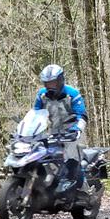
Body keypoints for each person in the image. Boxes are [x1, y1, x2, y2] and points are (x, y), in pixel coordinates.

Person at [34, 64, 88, 193]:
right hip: (52, 132)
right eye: (47, 83)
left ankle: (83, 187)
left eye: (52, 82)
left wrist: (77, 130)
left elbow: (82, 115)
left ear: (60, 80)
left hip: (72, 131)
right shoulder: (41, 95)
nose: (50, 86)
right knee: (41, 155)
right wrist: (30, 129)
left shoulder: (72, 94)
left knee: (71, 156)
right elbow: (35, 113)